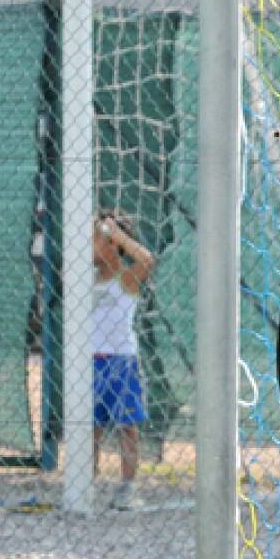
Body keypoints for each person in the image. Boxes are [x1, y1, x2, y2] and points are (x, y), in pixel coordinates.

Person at [92, 209, 156, 511]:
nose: (89, 244)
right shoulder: (86, 279)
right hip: (90, 363)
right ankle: (86, 486)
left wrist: (119, 237)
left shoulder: (125, 279)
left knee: (127, 425)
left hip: (121, 362)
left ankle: (128, 488)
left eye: (96, 238)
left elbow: (146, 261)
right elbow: (64, 277)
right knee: (90, 427)